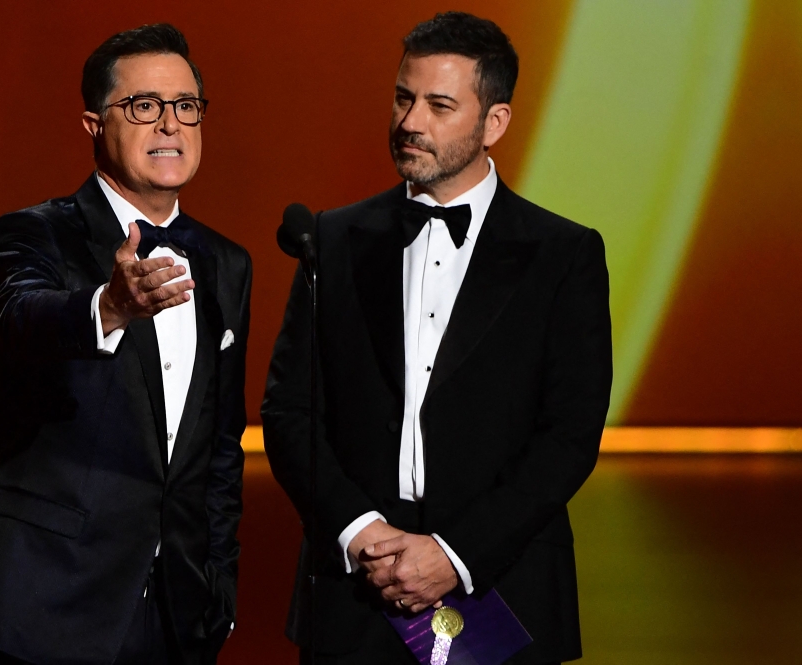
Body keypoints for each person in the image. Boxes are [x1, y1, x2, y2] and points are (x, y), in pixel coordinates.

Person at [262, 12, 612, 665]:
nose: (409, 121)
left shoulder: (563, 254)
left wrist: (452, 553)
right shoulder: (333, 241)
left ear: (495, 122)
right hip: (356, 590)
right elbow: (289, 412)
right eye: (403, 97)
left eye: (439, 104)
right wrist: (362, 532)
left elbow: (569, 434)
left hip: (499, 585)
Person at [0, 24, 252, 665]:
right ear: (93, 124)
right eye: (144, 106)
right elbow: (24, 318)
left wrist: (218, 589)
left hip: (177, 615)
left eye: (186, 106)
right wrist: (110, 306)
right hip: (45, 606)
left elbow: (220, 446)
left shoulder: (227, 262)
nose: (170, 124)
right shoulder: (32, 233)